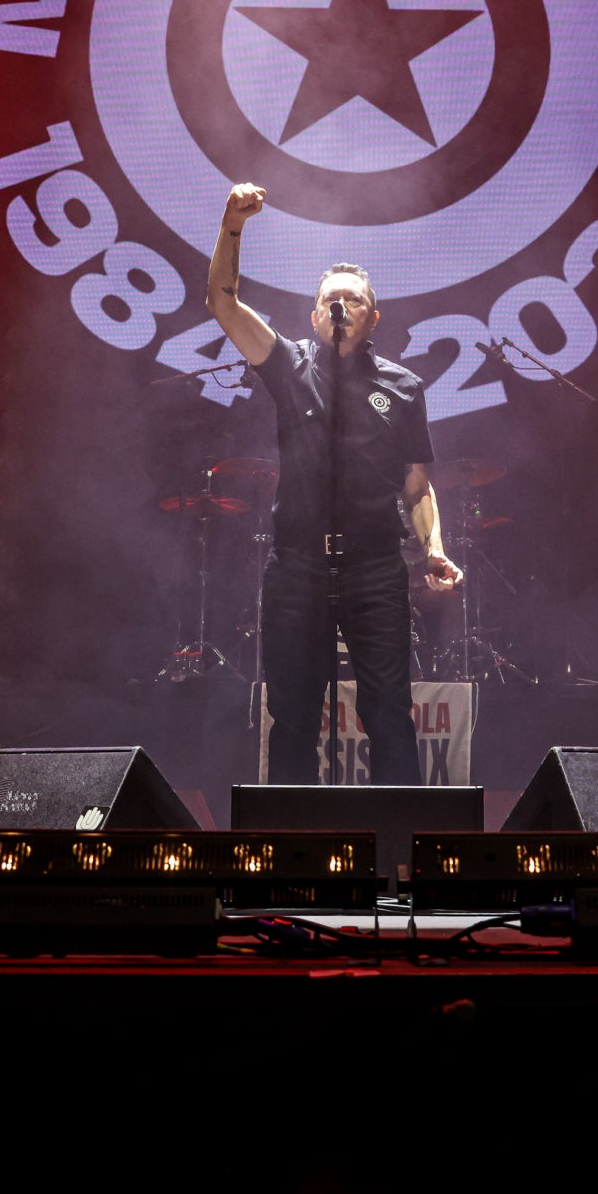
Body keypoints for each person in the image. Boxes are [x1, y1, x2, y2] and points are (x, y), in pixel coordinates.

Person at [206, 181, 461, 785]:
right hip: (298, 568)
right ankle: (290, 863)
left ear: (373, 317)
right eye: (330, 300)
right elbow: (221, 300)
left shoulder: (402, 387)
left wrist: (434, 549)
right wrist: (232, 224)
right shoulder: (287, 365)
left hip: (375, 570)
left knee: (389, 716)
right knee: (292, 718)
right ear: (315, 315)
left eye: (353, 300)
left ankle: (398, 861)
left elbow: (417, 485)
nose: (340, 307)